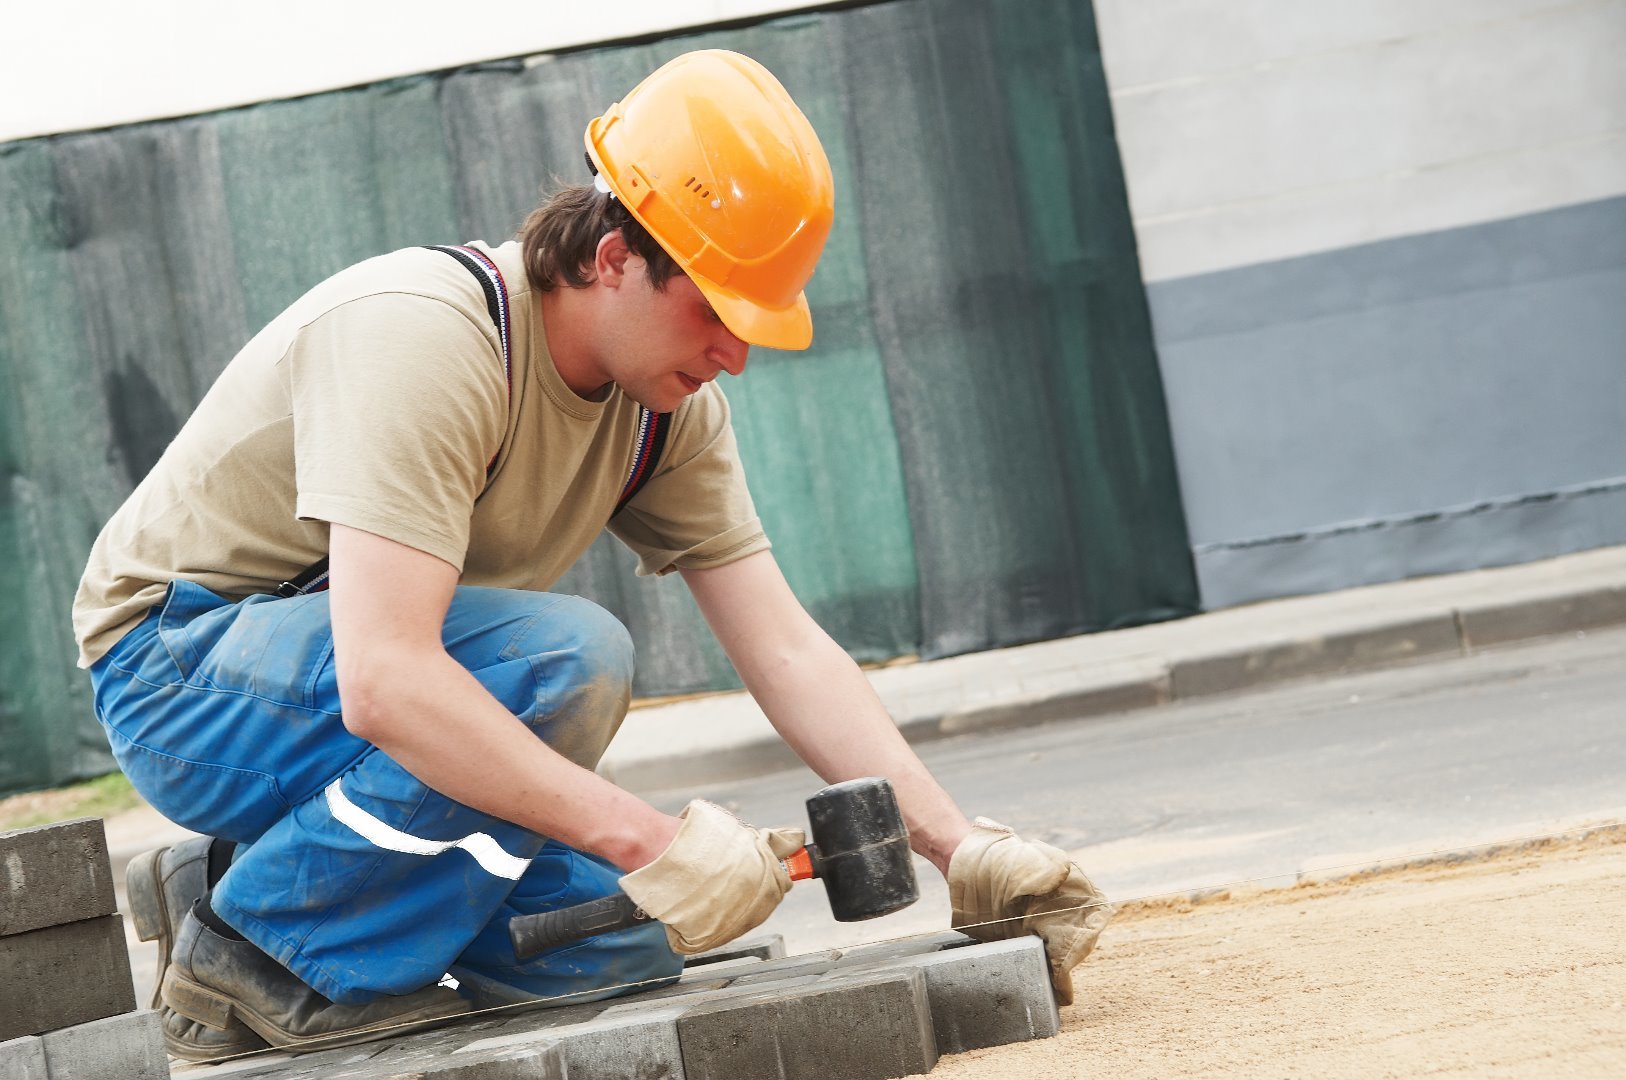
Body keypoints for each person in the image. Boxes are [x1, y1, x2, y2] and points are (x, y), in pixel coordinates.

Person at [74, 49, 1110, 1062]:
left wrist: (957, 848)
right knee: (565, 659)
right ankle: (253, 956)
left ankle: (253, 872)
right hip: (177, 667)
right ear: (613, 256)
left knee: (617, 944)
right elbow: (385, 678)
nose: (733, 356)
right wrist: (648, 841)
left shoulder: (669, 410)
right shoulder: (430, 338)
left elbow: (785, 648)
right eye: (714, 310)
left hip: (338, 685)